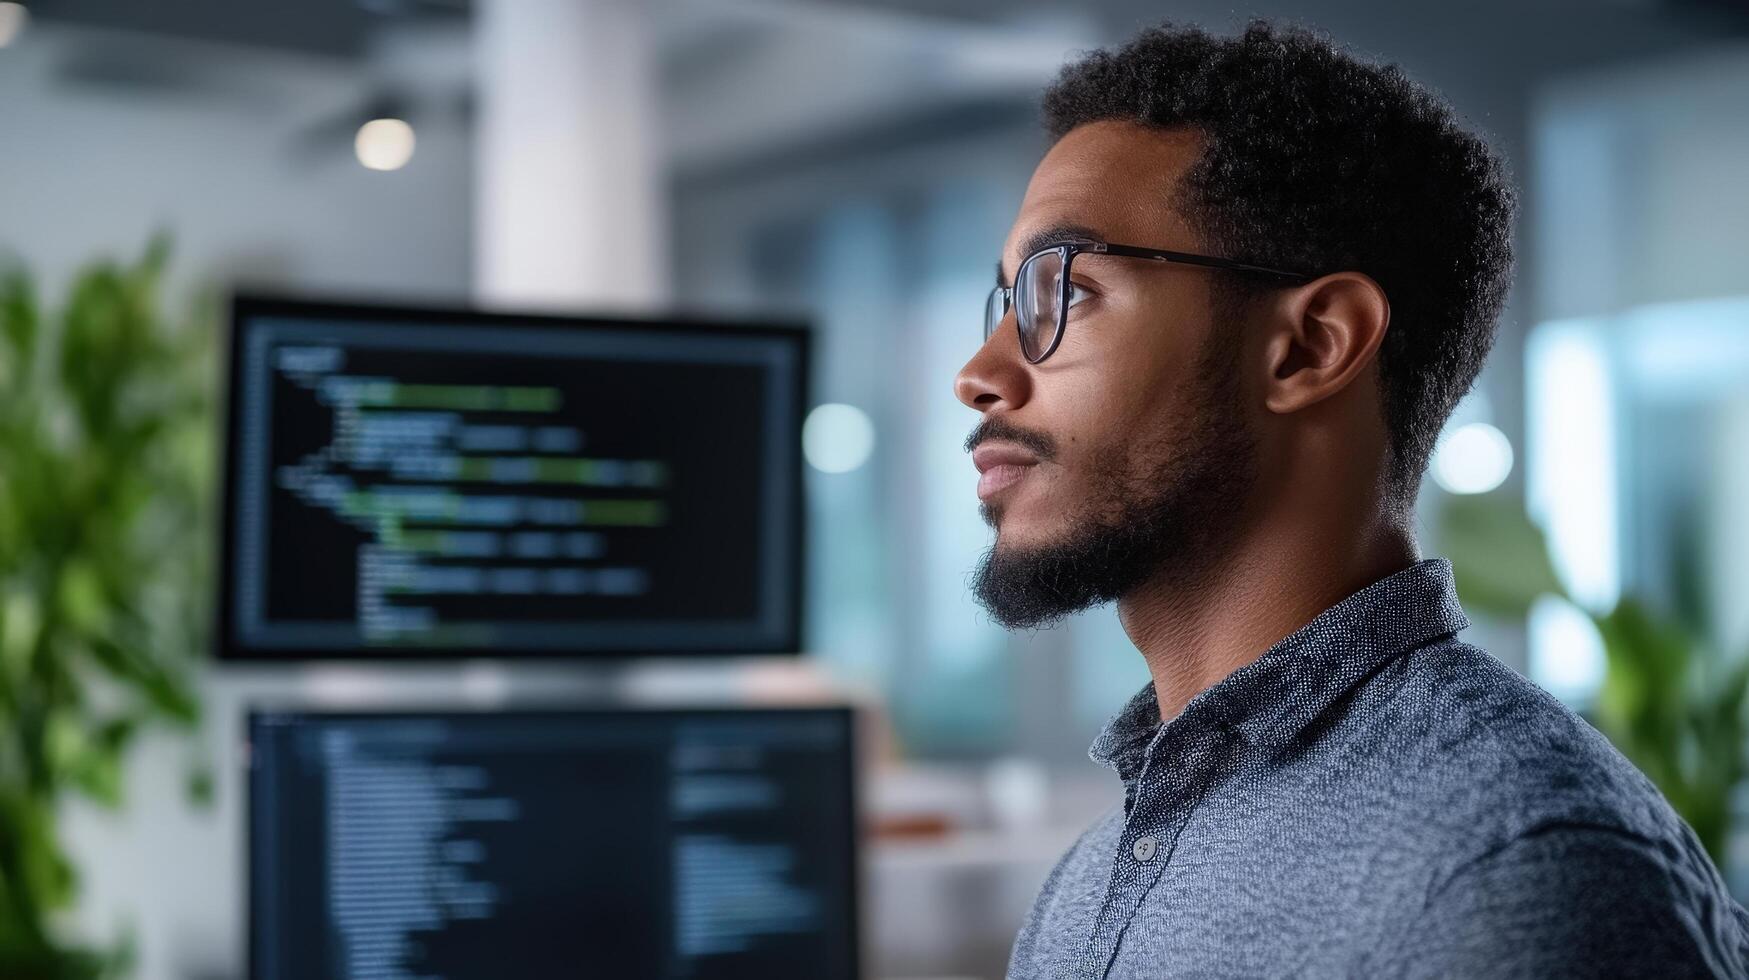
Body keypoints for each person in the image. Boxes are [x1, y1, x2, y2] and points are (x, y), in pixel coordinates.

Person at [955, 19, 1749, 979]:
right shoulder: (1100, 871)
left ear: (1311, 346)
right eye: (1006, 303)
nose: (978, 374)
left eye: (1063, 293)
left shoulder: (1511, 871)